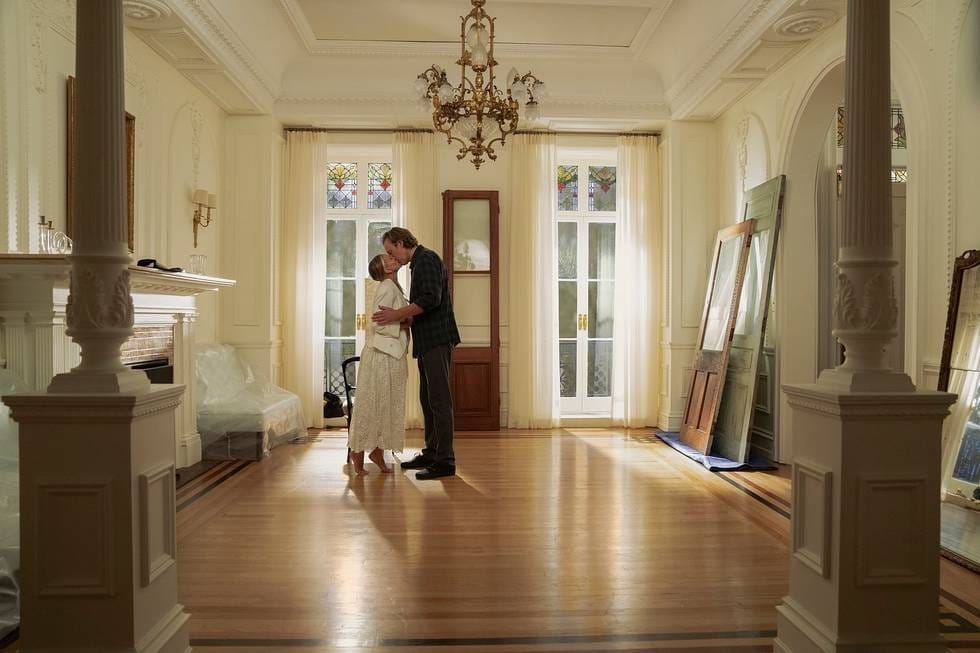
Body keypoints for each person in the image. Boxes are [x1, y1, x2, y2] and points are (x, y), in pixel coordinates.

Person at [373, 227, 460, 480]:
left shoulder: (426, 259)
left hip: (436, 340)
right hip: (426, 341)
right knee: (428, 399)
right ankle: (432, 453)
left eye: (391, 251)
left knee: (439, 401)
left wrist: (396, 314)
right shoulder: (418, 263)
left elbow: (431, 299)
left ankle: (445, 461)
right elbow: (425, 304)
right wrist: (407, 319)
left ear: (401, 243)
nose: (392, 257)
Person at [347, 253, 409, 475]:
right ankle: (358, 453)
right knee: (372, 404)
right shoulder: (386, 287)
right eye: (387, 259)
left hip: (390, 354)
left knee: (386, 404)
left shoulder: (393, 287)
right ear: (386, 269)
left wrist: (404, 320)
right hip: (382, 355)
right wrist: (405, 324)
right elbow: (379, 324)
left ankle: (377, 452)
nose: (393, 259)